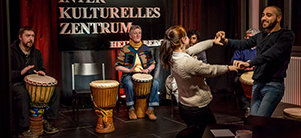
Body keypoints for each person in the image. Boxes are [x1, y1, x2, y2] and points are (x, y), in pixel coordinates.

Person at [216, 5, 295, 117]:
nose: (263, 18)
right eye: (262, 15)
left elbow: (271, 54)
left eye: (269, 15)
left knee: (259, 121)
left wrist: (249, 63)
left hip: (272, 86)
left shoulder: (286, 35)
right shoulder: (260, 36)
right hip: (257, 84)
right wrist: (225, 40)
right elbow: (243, 44)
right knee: (254, 120)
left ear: (279, 18)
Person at [159, 25, 238, 136]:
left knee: (197, 134)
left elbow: (195, 48)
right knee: (209, 134)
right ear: (183, 40)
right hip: (198, 110)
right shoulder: (188, 63)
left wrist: (213, 41)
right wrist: (229, 68)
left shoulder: (172, 56)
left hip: (184, 107)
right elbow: (211, 70)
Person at [11, 26, 60, 138]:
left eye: (32, 36)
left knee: (56, 90)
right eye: (27, 36)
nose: (31, 39)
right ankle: (23, 129)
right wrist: (22, 72)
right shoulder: (11, 52)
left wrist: (41, 72)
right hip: (17, 83)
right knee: (22, 94)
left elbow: (42, 69)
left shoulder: (37, 53)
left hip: (33, 84)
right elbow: (7, 74)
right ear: (20, 37)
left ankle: (47, 121)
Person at [115, 25, 159, 121]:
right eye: (135, 33)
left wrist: (148, 70)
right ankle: (131, 109)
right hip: (129, 75)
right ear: (130, 35)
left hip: (144, 74)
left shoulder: (146, 48)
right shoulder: (125, 49)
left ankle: (150, 109)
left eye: (139, 33)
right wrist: (129, 70)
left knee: (155, 83)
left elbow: (153, 64)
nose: (138, 35)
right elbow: (117, 66)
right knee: (129, 84)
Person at [230, 28, 260, 118]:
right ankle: (246, 107)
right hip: (242, 73)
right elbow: (233, 61)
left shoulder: (260, 49)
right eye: (246, 37)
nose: (247, 39)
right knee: (236, 81)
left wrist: (253, 66)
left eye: (250, 37)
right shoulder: (241, 48)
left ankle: (258, 107)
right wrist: (242, 66)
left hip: (256, 73)